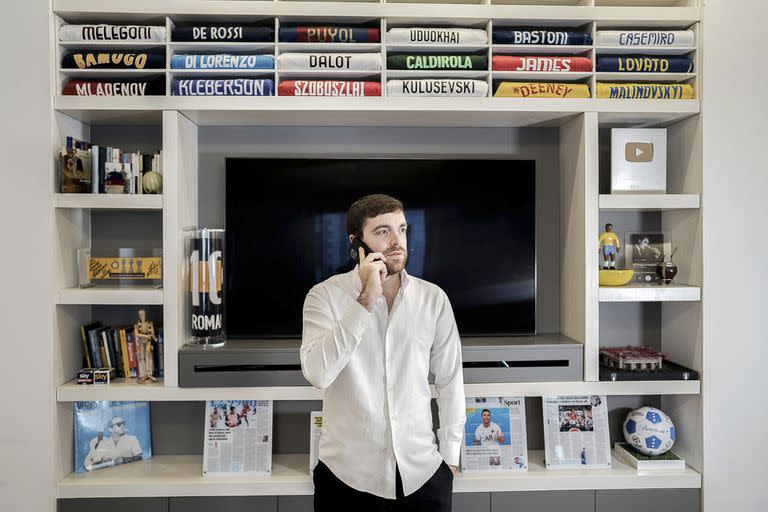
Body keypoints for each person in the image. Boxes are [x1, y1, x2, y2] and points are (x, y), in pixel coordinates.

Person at [301, 194, 465, 511]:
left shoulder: (433, 299)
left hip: (424, 476)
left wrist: (450, 458)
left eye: (401, 229)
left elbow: (450, 381)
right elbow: (318, 374)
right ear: (355, 243)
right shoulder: (324, 297)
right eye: (382, 231)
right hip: (346, 479)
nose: (396, 241)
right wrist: (366, 299)